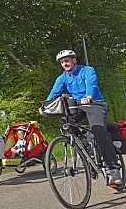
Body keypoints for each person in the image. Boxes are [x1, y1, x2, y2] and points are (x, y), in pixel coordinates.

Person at [43, 49, 122, 187]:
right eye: (62, 62)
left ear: (74, 60)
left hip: (95, 103)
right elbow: (54, 93)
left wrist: (89, 96)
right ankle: (87, 149)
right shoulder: (63, 77)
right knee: (67, 123)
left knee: (98, 130)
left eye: (67, 60)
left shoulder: (87, 70)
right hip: (77, 106)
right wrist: (45, 105)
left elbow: (92, 84)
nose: (65, 64)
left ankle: (114, 169)